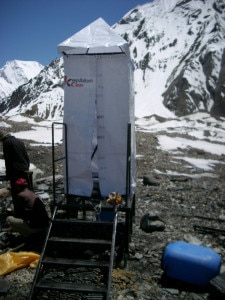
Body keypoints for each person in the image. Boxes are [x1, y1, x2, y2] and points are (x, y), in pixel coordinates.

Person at [0, 129, 30, 204]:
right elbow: (26, 156)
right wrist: (27, 167)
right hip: (24, 168)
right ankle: (27, 207)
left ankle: (19, 211)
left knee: (16, 191)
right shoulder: (19, 141)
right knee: (25, 189)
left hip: (16, 171)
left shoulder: (7, 143)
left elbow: (8, 160)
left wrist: (8, 174)